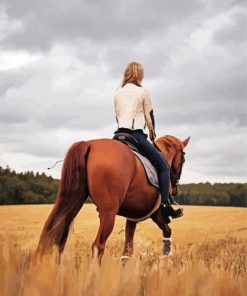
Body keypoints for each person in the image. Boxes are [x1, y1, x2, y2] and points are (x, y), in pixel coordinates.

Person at [114, 61, 183, 219]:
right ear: (140, 74)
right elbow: (149, 118)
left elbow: (117, 115)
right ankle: (165, 204)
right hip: (136, 136)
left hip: (118, 136)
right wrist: (152, 134)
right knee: (164, 166)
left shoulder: (118, 92)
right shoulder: (143, 91)